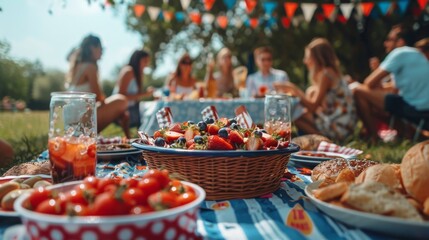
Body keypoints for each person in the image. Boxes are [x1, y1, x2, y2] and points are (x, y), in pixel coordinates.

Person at [276, 38, 357, 141]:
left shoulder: (326, 74)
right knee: (301, 110)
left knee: (296, 115)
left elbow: (313, 107)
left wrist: (294, 89)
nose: (305, 61)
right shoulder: (330, 72)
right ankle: (316, 138)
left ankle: (326, 141)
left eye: (308, 57)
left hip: (340, 126)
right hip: (344, 122)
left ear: (317, 58)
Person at [353, 40, 429, 141]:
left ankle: (374, 137)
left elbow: (369, 83)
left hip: (414, 109)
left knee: (357, 90)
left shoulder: (401, 53)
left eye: (390, 40)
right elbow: (393, 89)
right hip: (423, 111)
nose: (385, 43)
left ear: (400, 41)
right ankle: (413, 135)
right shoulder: (419, 58)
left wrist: (377, 70)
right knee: (379, 106)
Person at [66, 34, 129, 138]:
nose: (102, 51)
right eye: (101, 48)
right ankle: (129, 138)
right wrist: (115, 111)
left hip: (72, 122)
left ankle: (128, 137)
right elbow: (98, 98)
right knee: (122, 100)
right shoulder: (90, 67)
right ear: (92, 48)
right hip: (80, 123)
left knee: (118, 105)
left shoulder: (78, 66)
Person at [112, 49, 154, 130]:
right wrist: (145, 94)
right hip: (121, 110)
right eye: (145, 61)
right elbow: (121, 96)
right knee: (148, 116)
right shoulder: (128, 71)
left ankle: (145, 137)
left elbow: (136, 97)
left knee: (150, 112)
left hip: (132, 108)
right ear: (138, 60)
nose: (146, 64)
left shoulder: (138, 74)